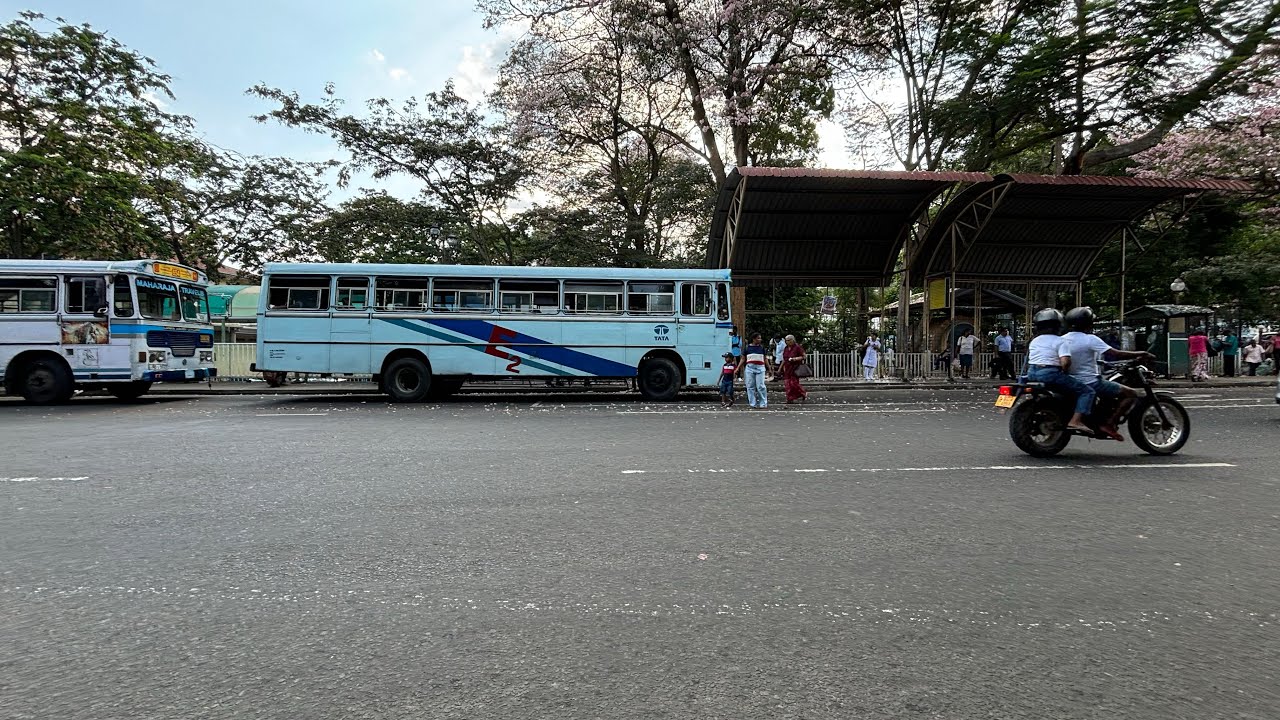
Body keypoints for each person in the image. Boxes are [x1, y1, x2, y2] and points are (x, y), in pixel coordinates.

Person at [1061, 306, 1156, 440]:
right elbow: (1116, 353)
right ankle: (1109, 424)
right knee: (1131, 394)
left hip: (1069, 381)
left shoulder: (1062, 339)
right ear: (1089, 324)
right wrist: (1142, 353)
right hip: (1090, 381)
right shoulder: (1090, 339)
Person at [1025, 309, 1094, 433]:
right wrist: (1065, 371)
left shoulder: (1034, 341)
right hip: (1050, 374)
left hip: (1032, 373)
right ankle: (1076, 421)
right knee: (1087, 391)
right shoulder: (1060, 341)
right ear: (1059, 325)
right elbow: (1065, 362)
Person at [738, 332, 773, 408]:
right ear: (754, 339)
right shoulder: (747, 348)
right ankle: (752, 403)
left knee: (761, 386)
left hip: (760, 367)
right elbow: (743, 359)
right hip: (750, 368)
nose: (760, 339)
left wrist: (769, 368)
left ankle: (763, 403)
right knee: (750, 386)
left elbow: (765, 359)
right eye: (758, 338)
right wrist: (738, 368)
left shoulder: (762, 348)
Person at [780, 334, 808, 404]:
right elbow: (784, 359)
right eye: (786, 340)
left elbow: (804, 356)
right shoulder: (786, 348)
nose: (787, 342)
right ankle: (789, 398)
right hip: (787, 368)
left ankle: (802, 393)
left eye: (789, 340)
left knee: (793, 383)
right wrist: (780, 368)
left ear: (793, 340)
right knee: (787, 384)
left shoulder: (797, 347)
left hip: (795, 368)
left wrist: (795, 359)